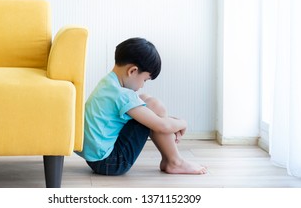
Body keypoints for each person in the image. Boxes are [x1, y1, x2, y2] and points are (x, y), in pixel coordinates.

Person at [75, 37, 207, 176]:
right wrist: (182, 123)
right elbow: (162, 126)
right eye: (144, 80)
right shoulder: (122, 95)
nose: (142, 85)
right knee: (154, 107)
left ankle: (171, 160)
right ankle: (175, 162)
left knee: (147, 101)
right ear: (132, 71)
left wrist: (170, 121)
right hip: (110, 163)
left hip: (95, 157)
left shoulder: (107, 83)